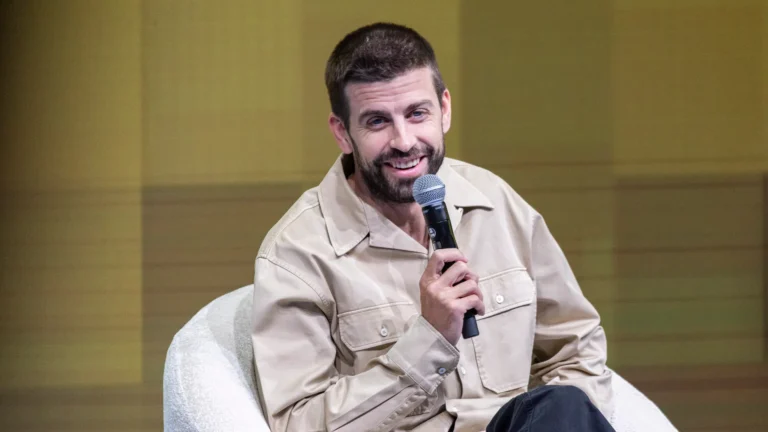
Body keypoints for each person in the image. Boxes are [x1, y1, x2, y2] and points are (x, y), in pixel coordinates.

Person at [251, 22, 615, 432]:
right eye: (377, 122)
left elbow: (574, 348)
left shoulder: (494, 202)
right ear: (342, 133)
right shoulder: (298, 254)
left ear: (444, 109)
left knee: (565, 403)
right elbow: (297, 423)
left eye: (417, 113)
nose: (404, 141)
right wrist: (428, 340)